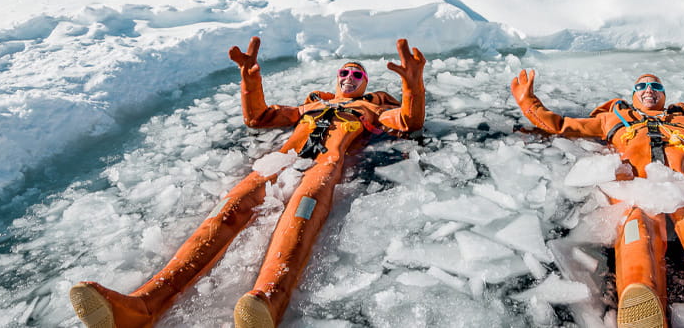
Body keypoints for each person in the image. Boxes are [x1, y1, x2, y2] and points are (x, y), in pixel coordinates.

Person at [70, 37, 427, 328]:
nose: (349, 77)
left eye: (357, 75)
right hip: (282, 161)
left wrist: (412, 86)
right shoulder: (311, 106)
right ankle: (142, 305)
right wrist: (250, 79)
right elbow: (260, 117)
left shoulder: (373, 109)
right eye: (344, 72)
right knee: (228, 211)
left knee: (299, 216)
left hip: (324, 166)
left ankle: (269, 301)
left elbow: (407, 121)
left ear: (366, 85)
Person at [510, 69, 684, 328]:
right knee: (637, 236)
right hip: (637, 190)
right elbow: (561, 125)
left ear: (663, 96)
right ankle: (640, 302)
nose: (648, 90)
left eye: (655, 86)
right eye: (641, 86)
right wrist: (529, 102)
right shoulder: (611, 120)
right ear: (633, 96)